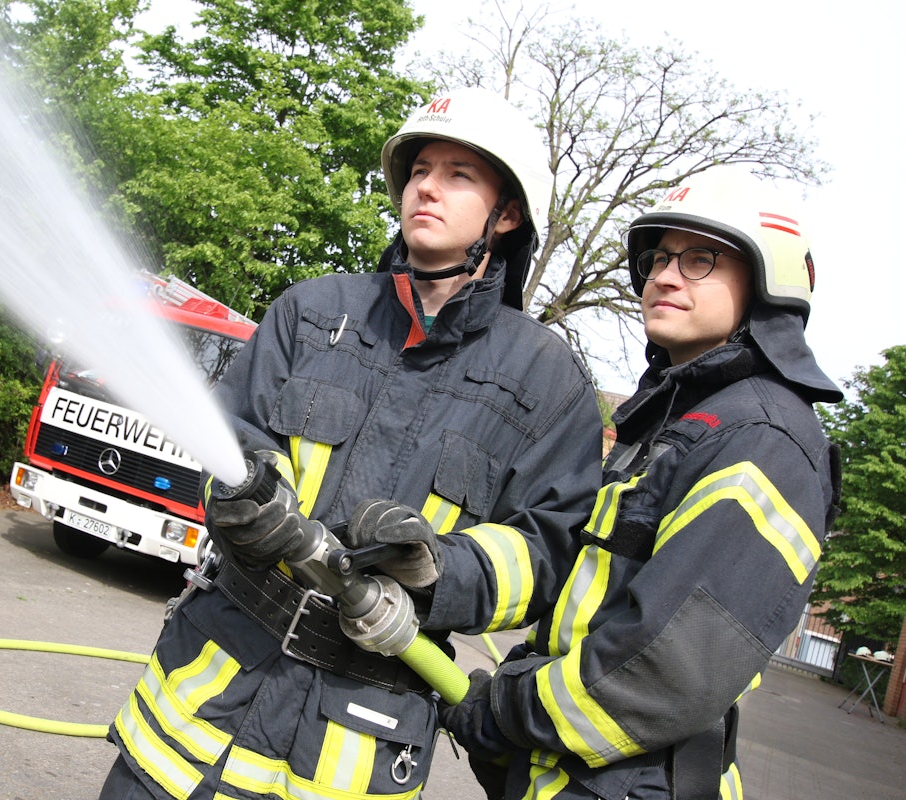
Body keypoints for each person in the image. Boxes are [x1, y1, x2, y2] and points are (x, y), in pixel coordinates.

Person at [99, 87, 604, 800]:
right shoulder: (311, 312)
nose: (426, 185)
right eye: (421, 168)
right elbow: (234, 437)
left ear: (508, 213)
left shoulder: (546, 384)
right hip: (195, 717)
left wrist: (437, 567)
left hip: (351, 744)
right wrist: (255, 491)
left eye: (459, 175)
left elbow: (546, 550)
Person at [440, 167, 844, 800]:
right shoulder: (680, 425)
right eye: (659, 257)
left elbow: (670, 668)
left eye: (701, 259)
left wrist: (508, 710)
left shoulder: (764, 440)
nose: (664, 274)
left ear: (768, 285)